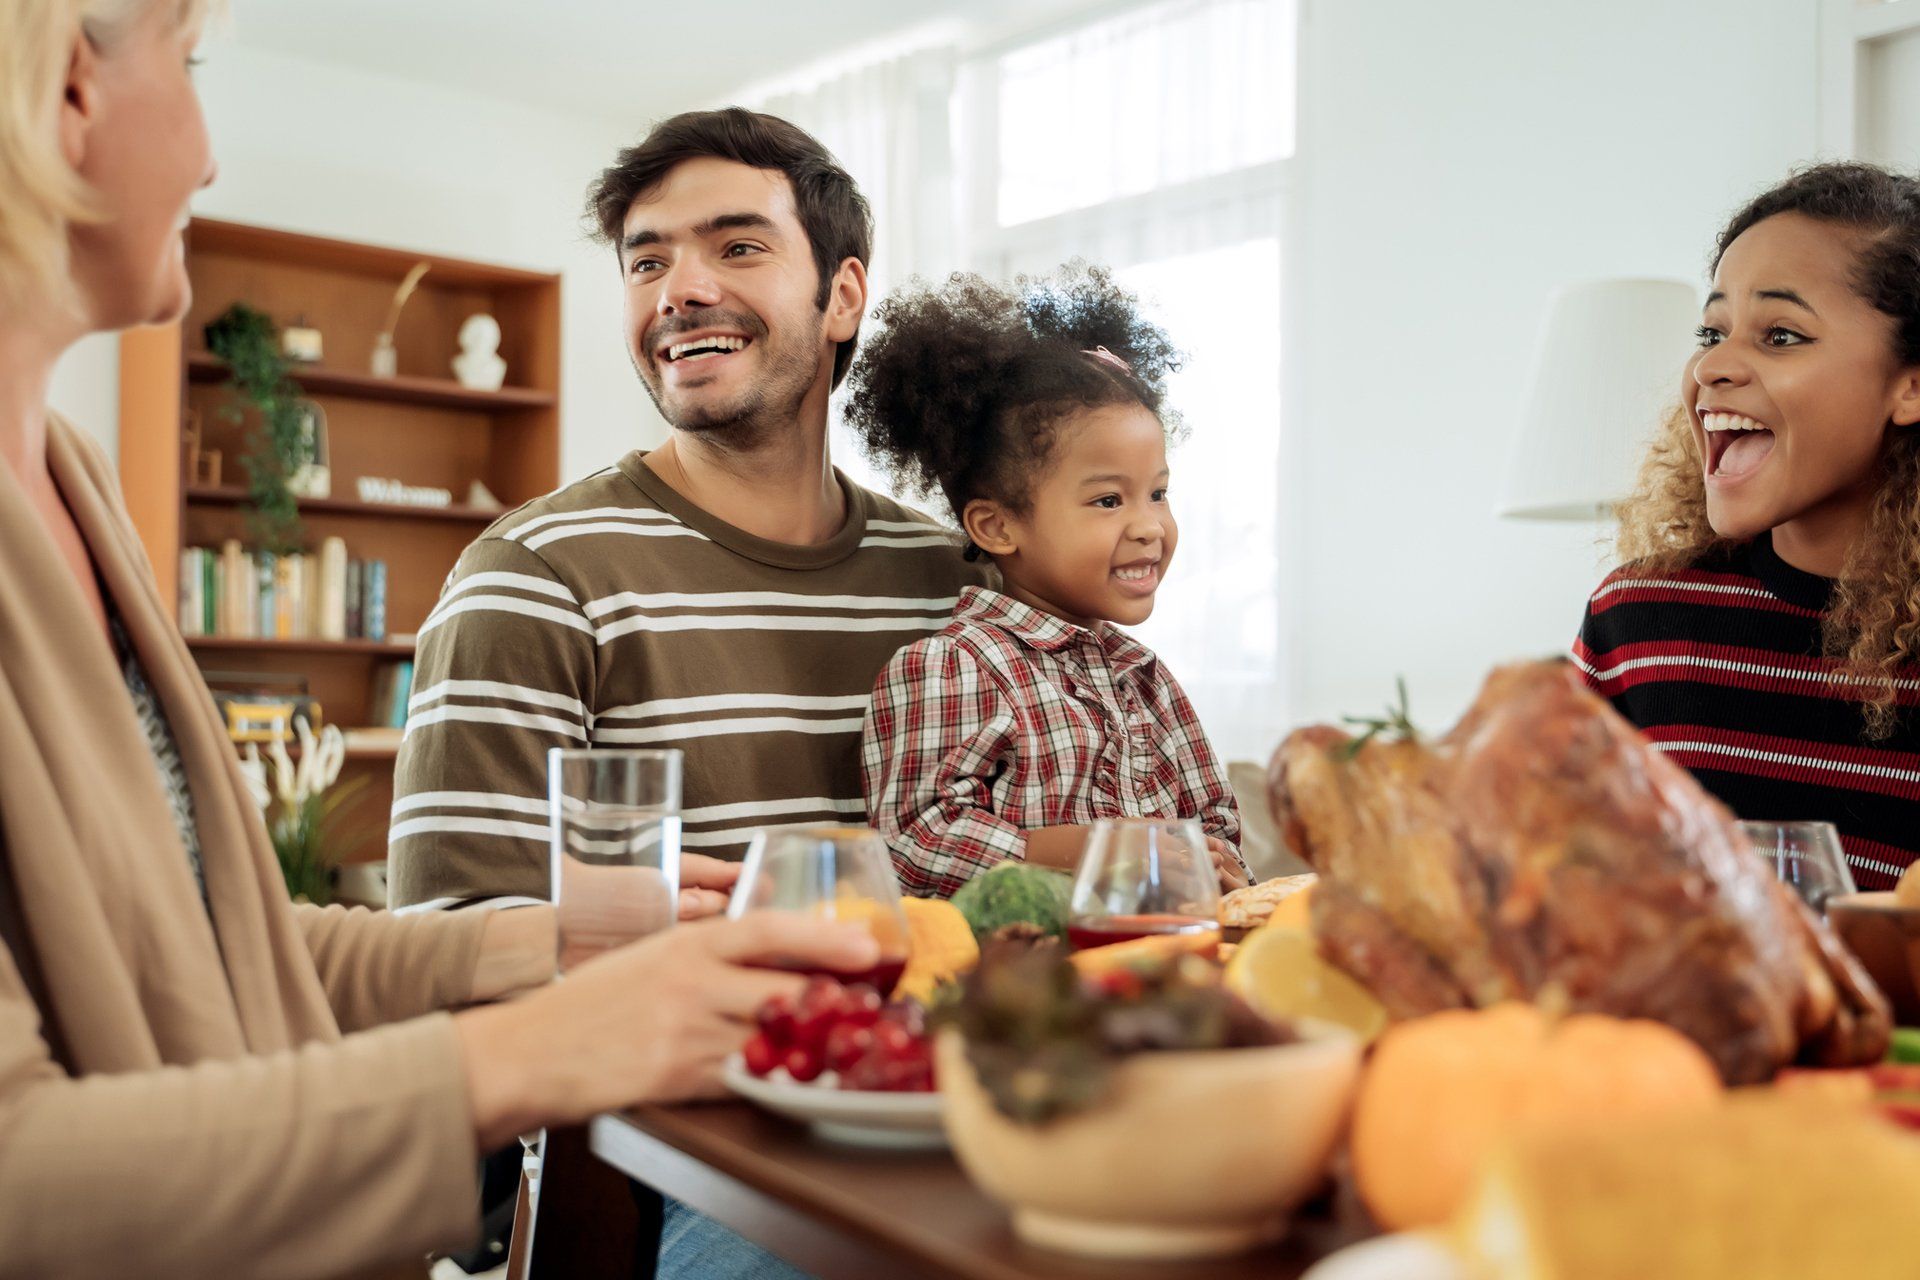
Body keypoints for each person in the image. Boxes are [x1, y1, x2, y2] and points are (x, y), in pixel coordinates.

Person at [0, 4, 878, 1276]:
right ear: (74, 91)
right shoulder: (532, 573)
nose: (208, 156)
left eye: (738, 245)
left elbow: (213, 936)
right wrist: (553, 1037)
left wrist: (565, 944)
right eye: (188, 71)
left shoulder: (70, 483)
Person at [388, 108, 988, 911]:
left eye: (738, 248)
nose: (680, 291)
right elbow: (447, 945)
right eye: (647, 263)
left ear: (841, 297)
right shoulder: (534, 580)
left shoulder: (960, 586)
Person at [849, 266, 1249, 898]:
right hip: (1020, 982)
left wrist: (1215, 861)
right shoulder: (953, 667)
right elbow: (915, 841)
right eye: (1108, 501)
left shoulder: (1146, 678)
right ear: (998, 525)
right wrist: (1104, 853)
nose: (1150, 526)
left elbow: (1216, 819)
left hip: (1164, 968)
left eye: (1158, 493)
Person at [1576, 162, 1920, 890]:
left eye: (1782, 335)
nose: (1712, 366)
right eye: (1712, 330)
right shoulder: (1637, 623)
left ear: (1910, 384)